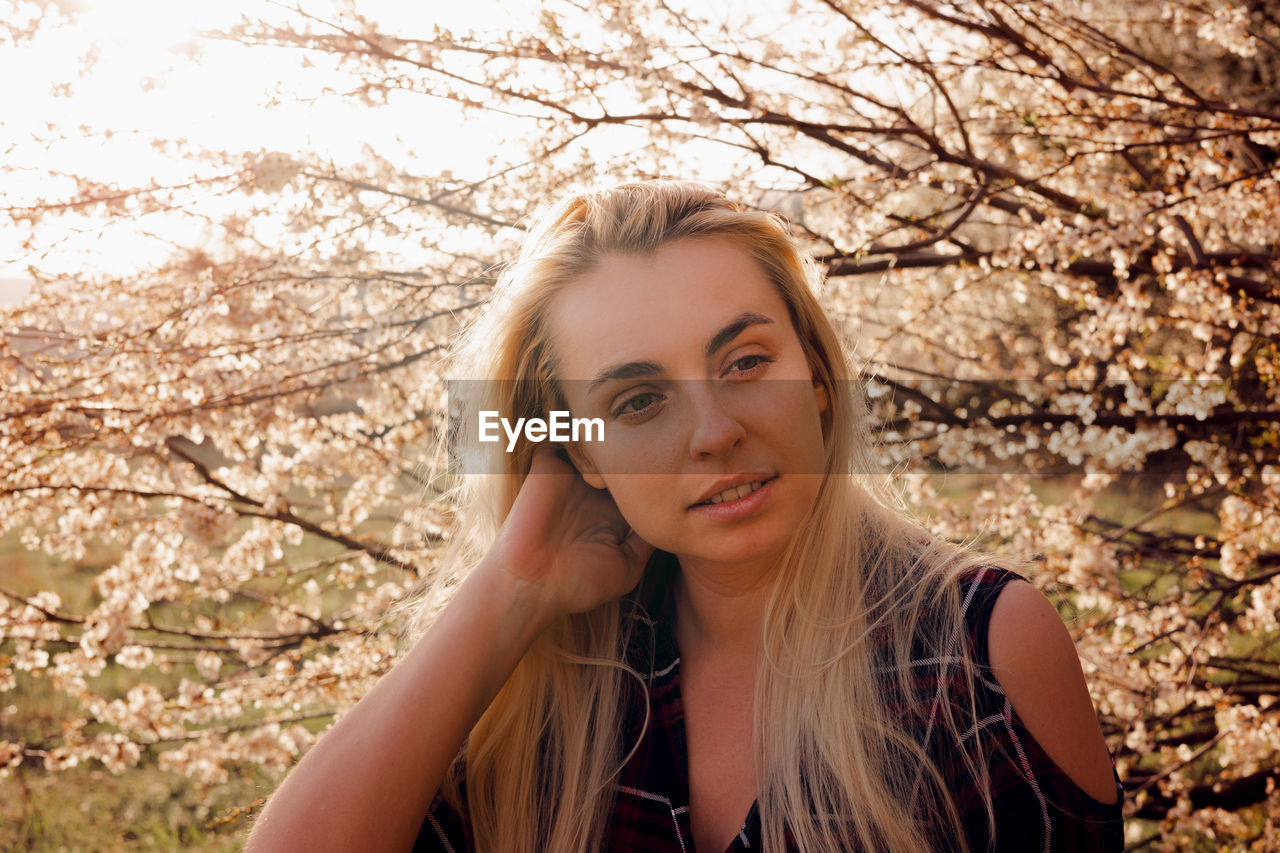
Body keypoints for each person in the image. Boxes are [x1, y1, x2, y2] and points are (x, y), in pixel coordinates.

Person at [245, 181, 1124, 852]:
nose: (714, 432)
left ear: (818, 374)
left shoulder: (981, 648)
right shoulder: (551, 694)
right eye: (637, 402)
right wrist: (508, 593)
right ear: (580, 451)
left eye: (745, 361)